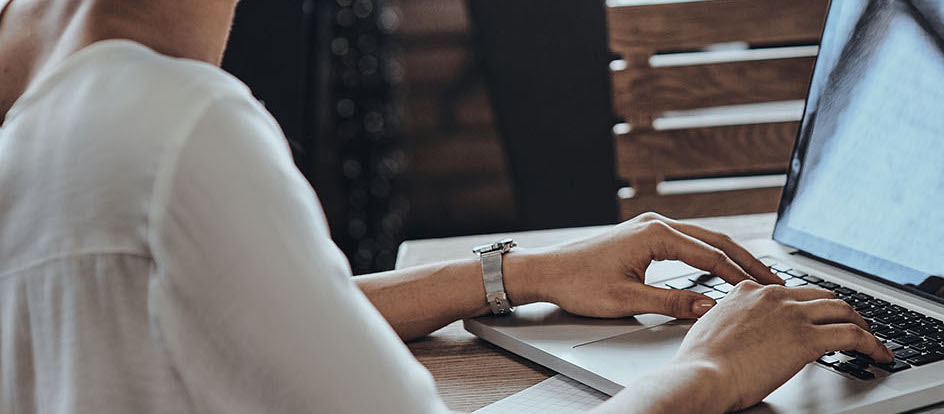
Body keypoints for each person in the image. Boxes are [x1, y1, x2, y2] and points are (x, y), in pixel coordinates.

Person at [0, 0, 892, 413]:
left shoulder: (39, 90)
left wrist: (511, 274)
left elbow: (228, 310)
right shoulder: (178, 129)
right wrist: (710, 373)